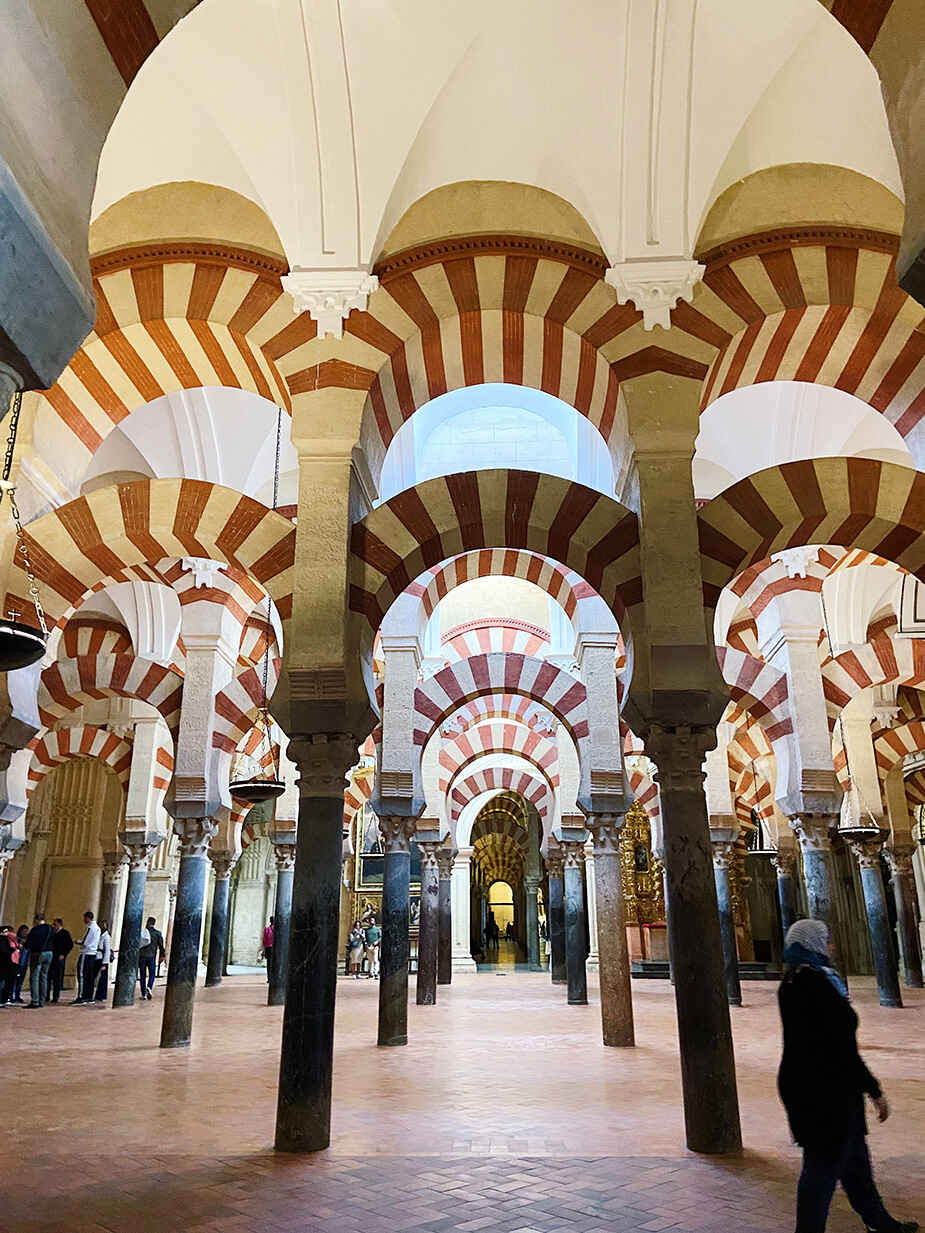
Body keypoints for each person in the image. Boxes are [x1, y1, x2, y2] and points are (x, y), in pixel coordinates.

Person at [778, 919, 918, 1233]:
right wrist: (874, 1090)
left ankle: (881, 1224)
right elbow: (841, 1047)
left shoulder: (794, 980)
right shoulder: (814, 983)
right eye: (826, 940)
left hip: (815, 1083)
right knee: (822, 1168)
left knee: (855, 1165)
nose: (832, 946)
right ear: (811, 943)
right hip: (825, 1089)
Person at [24, 912, 54, 1008]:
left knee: (35, 977)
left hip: (38, 954)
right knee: (44, 977)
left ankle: (35, 1001)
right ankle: (42, 1000)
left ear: (37, 920)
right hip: (49, 953)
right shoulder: (50, 928)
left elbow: (28, 943)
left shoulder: (35, 930)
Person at [74, 911, 101, 1004]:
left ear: (88, 918)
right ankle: (89, 996)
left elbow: (85, 942)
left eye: (84, 918)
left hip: (86, 953)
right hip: (93, 954)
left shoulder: (90, 928)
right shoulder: (97, 928)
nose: (83, 920)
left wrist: (77, 941)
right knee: (89, 976)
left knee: (82, 975)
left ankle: (81, 996)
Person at [137, 917, 165, 1000]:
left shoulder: (143, 933)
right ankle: (149, 987)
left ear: (148, 922)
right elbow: (161, 946)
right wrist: (162, 956)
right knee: (152, 974)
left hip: (142, 956)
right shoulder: (157, 933)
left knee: (142, 975)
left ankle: (143, 994)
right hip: (151, 956)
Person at [49, 918, 73, 1004]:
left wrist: (64, 954)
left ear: (59, 924)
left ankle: (56, 996)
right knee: (49, 976)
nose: (53, 926)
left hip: (59, 958)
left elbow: (70, 945)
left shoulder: (65, 933)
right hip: (51, 957)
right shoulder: (52, 933)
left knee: (57, 978)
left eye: (55, 924)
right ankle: (46, 995)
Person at [9, 925, 29, 1004]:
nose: (25, 933)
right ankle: (12, 995)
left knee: (20, 981)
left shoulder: (28, 941)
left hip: (24, 964)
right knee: (14, 980)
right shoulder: (16, 940)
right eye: (24, 931)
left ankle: (17, 995)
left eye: (26, 931)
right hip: (17, 963)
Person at [93, 920, 112, 1003]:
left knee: (102, 978)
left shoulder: (106, 937)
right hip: (97, 957)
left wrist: (105, 963)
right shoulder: (99, 935)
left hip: (102, 958)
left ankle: (101, 995)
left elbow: (107, 950)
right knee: (94, 976)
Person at [0, 924, 18, 1006]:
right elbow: (4, 951)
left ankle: (6, 998)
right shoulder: (3, 940)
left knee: (9, 982)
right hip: (4, 963)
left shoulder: (13, 940)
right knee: (2, 982)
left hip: (12, 963)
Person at [262, 917, 274, 983]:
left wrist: (264, 950)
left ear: (270, 921)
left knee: (269, 964)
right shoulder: (278, 930)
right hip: (275, 949)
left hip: (268, 948)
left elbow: (264, 941)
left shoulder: (267, 929)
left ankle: (269, 978)